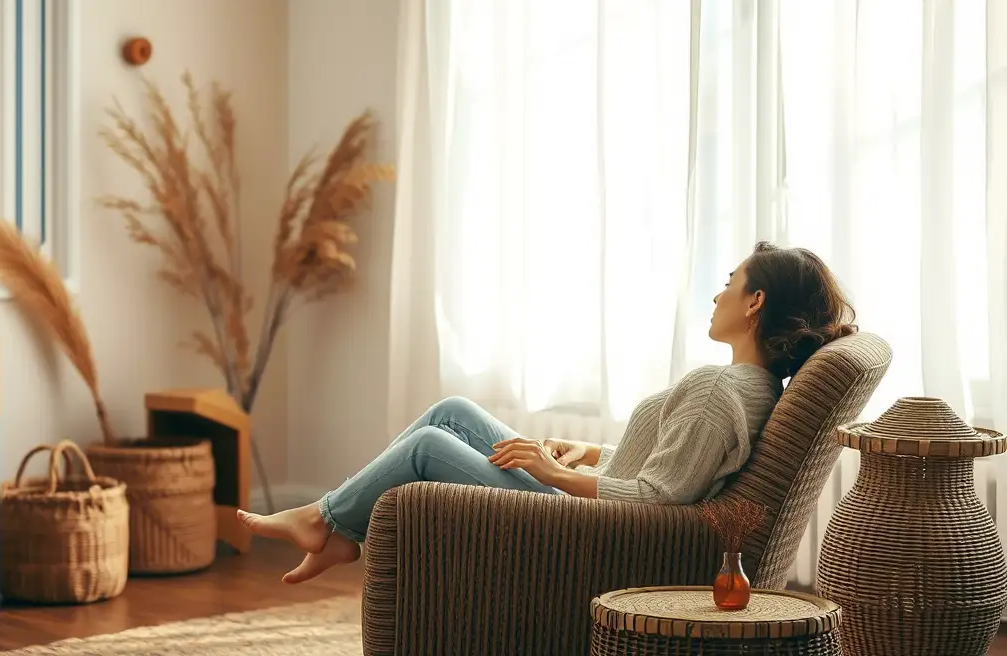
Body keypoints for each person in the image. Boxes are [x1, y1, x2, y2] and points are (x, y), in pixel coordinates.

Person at [238, 242, 858, 584]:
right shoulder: (742, 389)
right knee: (453, 411)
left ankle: (325, 523)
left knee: (429, 446)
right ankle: (336, 528)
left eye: (730, 281)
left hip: (593, 529)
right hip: (599, 506)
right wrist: (588, 454)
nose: (718, 292)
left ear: (754, 303)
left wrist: (553, 473)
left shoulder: (719, 394)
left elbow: (656, 499)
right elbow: (673, 473)